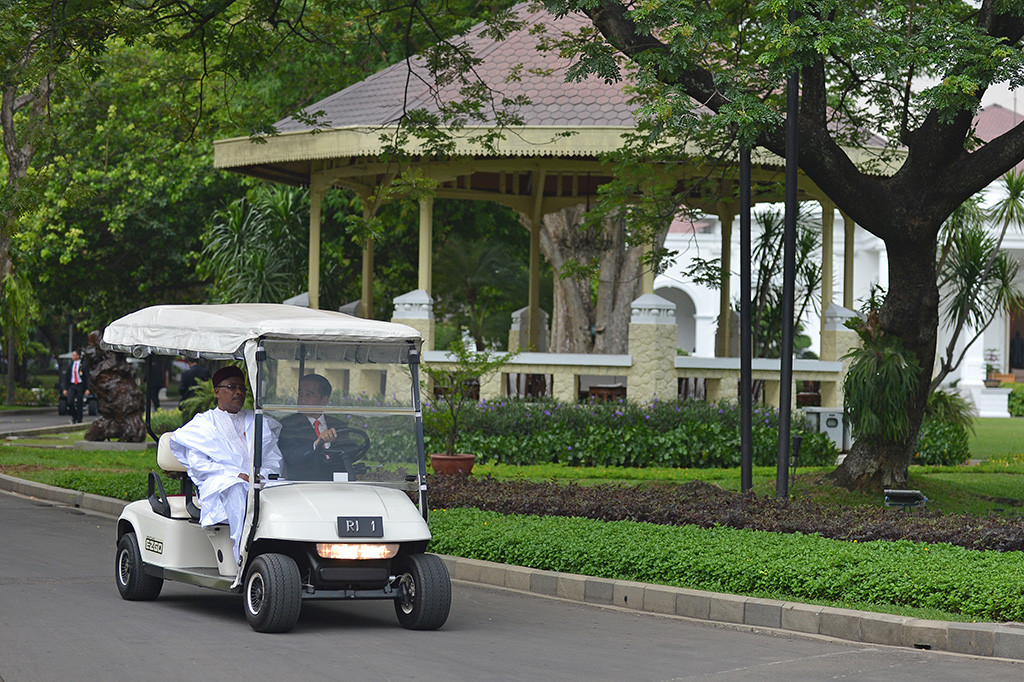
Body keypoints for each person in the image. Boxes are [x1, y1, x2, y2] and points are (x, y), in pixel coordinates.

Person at [167, 366, 282, 563]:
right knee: (237, 488)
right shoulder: (204, 424)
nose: (239, 392)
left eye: (242, 388)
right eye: (232, 387)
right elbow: (199, 465)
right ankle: (243, 553)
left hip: (258, 480)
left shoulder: (256, 421)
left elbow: (273, 458)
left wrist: (264, 474)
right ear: (217, 391)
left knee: (286, 488)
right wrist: (235, 475)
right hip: (220, 483)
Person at [278, 373, 350, 480]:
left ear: (324, 400)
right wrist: (317, 443)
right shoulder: (289, 424)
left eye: (308, 395)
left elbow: (347, 455)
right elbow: (291, 456)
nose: (302, 399)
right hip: (303, 483)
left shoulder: (338, 425)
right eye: (300, 394)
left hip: (336, 484)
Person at [61, 350, 90, 424]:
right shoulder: (71, 365)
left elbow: (87, 377)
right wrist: (65, 388)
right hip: (72, 385)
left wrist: (88, 388)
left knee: (79, 402)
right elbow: (66, 377)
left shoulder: (83, 364)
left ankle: (79, 418)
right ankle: (74, 416)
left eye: (74, 355)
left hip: (80, 385)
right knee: (70, 401)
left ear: (78, 356)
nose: (72, 357)